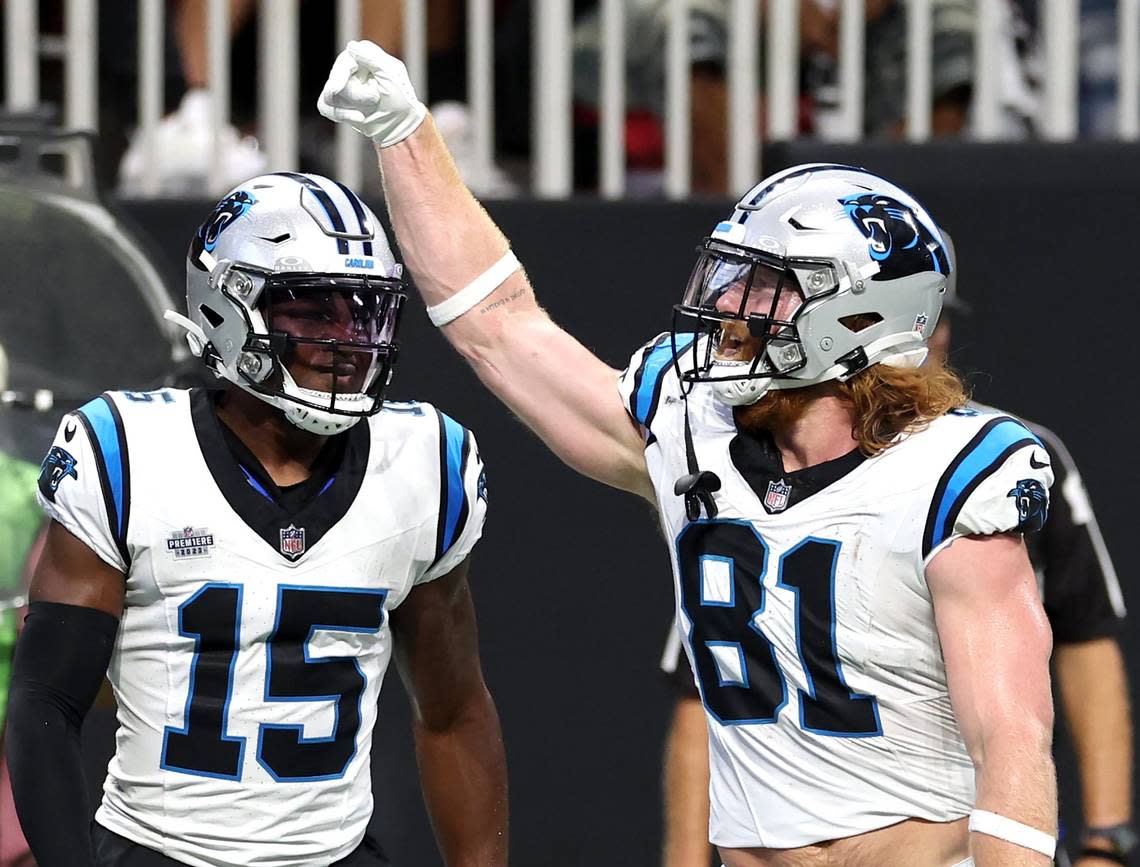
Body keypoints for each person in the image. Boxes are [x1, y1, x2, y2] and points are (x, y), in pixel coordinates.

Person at [320, 41, 1057, 867]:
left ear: (863, 316)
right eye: (733, 278)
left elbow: (1014, 743)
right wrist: (404, 132)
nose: (730, 308)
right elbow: (499, 324)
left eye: (768, 285)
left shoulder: (952, 475)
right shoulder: (691, 424)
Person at [5, 172, 508, 867]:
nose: (348, 339)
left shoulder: (425, 461)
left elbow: (454, 714)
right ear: (226, 307)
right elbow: (44, 703)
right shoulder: (129, 451)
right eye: (314, 312)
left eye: (364, 312)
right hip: (159, 851)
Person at [657, 235, 1135, 867]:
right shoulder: (751, 469)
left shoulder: (989, 464)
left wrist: (1109, 836)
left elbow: (1084, 638)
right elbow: (712, 684)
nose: (922, 338)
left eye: (932, 321)